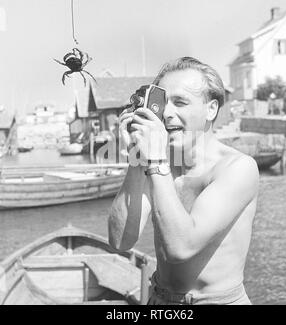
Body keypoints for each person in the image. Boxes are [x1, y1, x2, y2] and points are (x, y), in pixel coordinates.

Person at [108, 57, 259, 305]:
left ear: (211, 109)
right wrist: (137, 159)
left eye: (180, 102)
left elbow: (181, 248)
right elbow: (120, 241)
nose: (167, 113)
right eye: (163, 102)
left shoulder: (237, 168)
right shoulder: (160, 164)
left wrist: (155, 160)